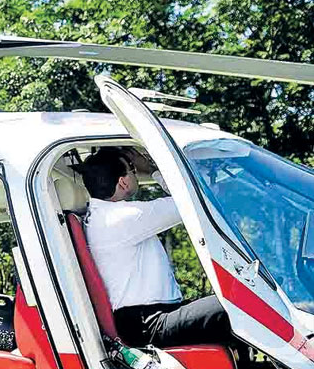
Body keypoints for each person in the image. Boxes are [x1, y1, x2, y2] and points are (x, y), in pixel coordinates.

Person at [74, 147, 232, 349]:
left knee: (233, 313)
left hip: (145, 319)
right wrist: (152, 170)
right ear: (123, 182)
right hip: (148, 323)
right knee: (236, 306)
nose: (135, 174)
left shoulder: (103, 217)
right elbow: (198, 200)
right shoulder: (121, 218)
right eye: (132, 170)